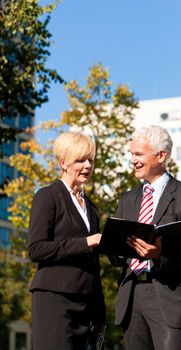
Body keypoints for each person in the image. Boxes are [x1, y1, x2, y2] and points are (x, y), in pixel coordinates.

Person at [110, 125, 181, 350]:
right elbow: (115, 255)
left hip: (168, 295)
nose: (132, 160)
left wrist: (160, 254)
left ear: (161, 155)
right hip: (131, 295)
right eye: (131, 154)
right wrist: (112, 246)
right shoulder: (127, 199)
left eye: (138, 154)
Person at [28, 131, 106, 350]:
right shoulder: (47, 196)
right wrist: (86, 242)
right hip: (55, 300)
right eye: (80, 160)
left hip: (86, 306)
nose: (88, 165)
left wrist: (100, 317)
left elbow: (94, 266)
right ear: (63, 162)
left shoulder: (91, 208)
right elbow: (36, 249)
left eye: (90, 159)